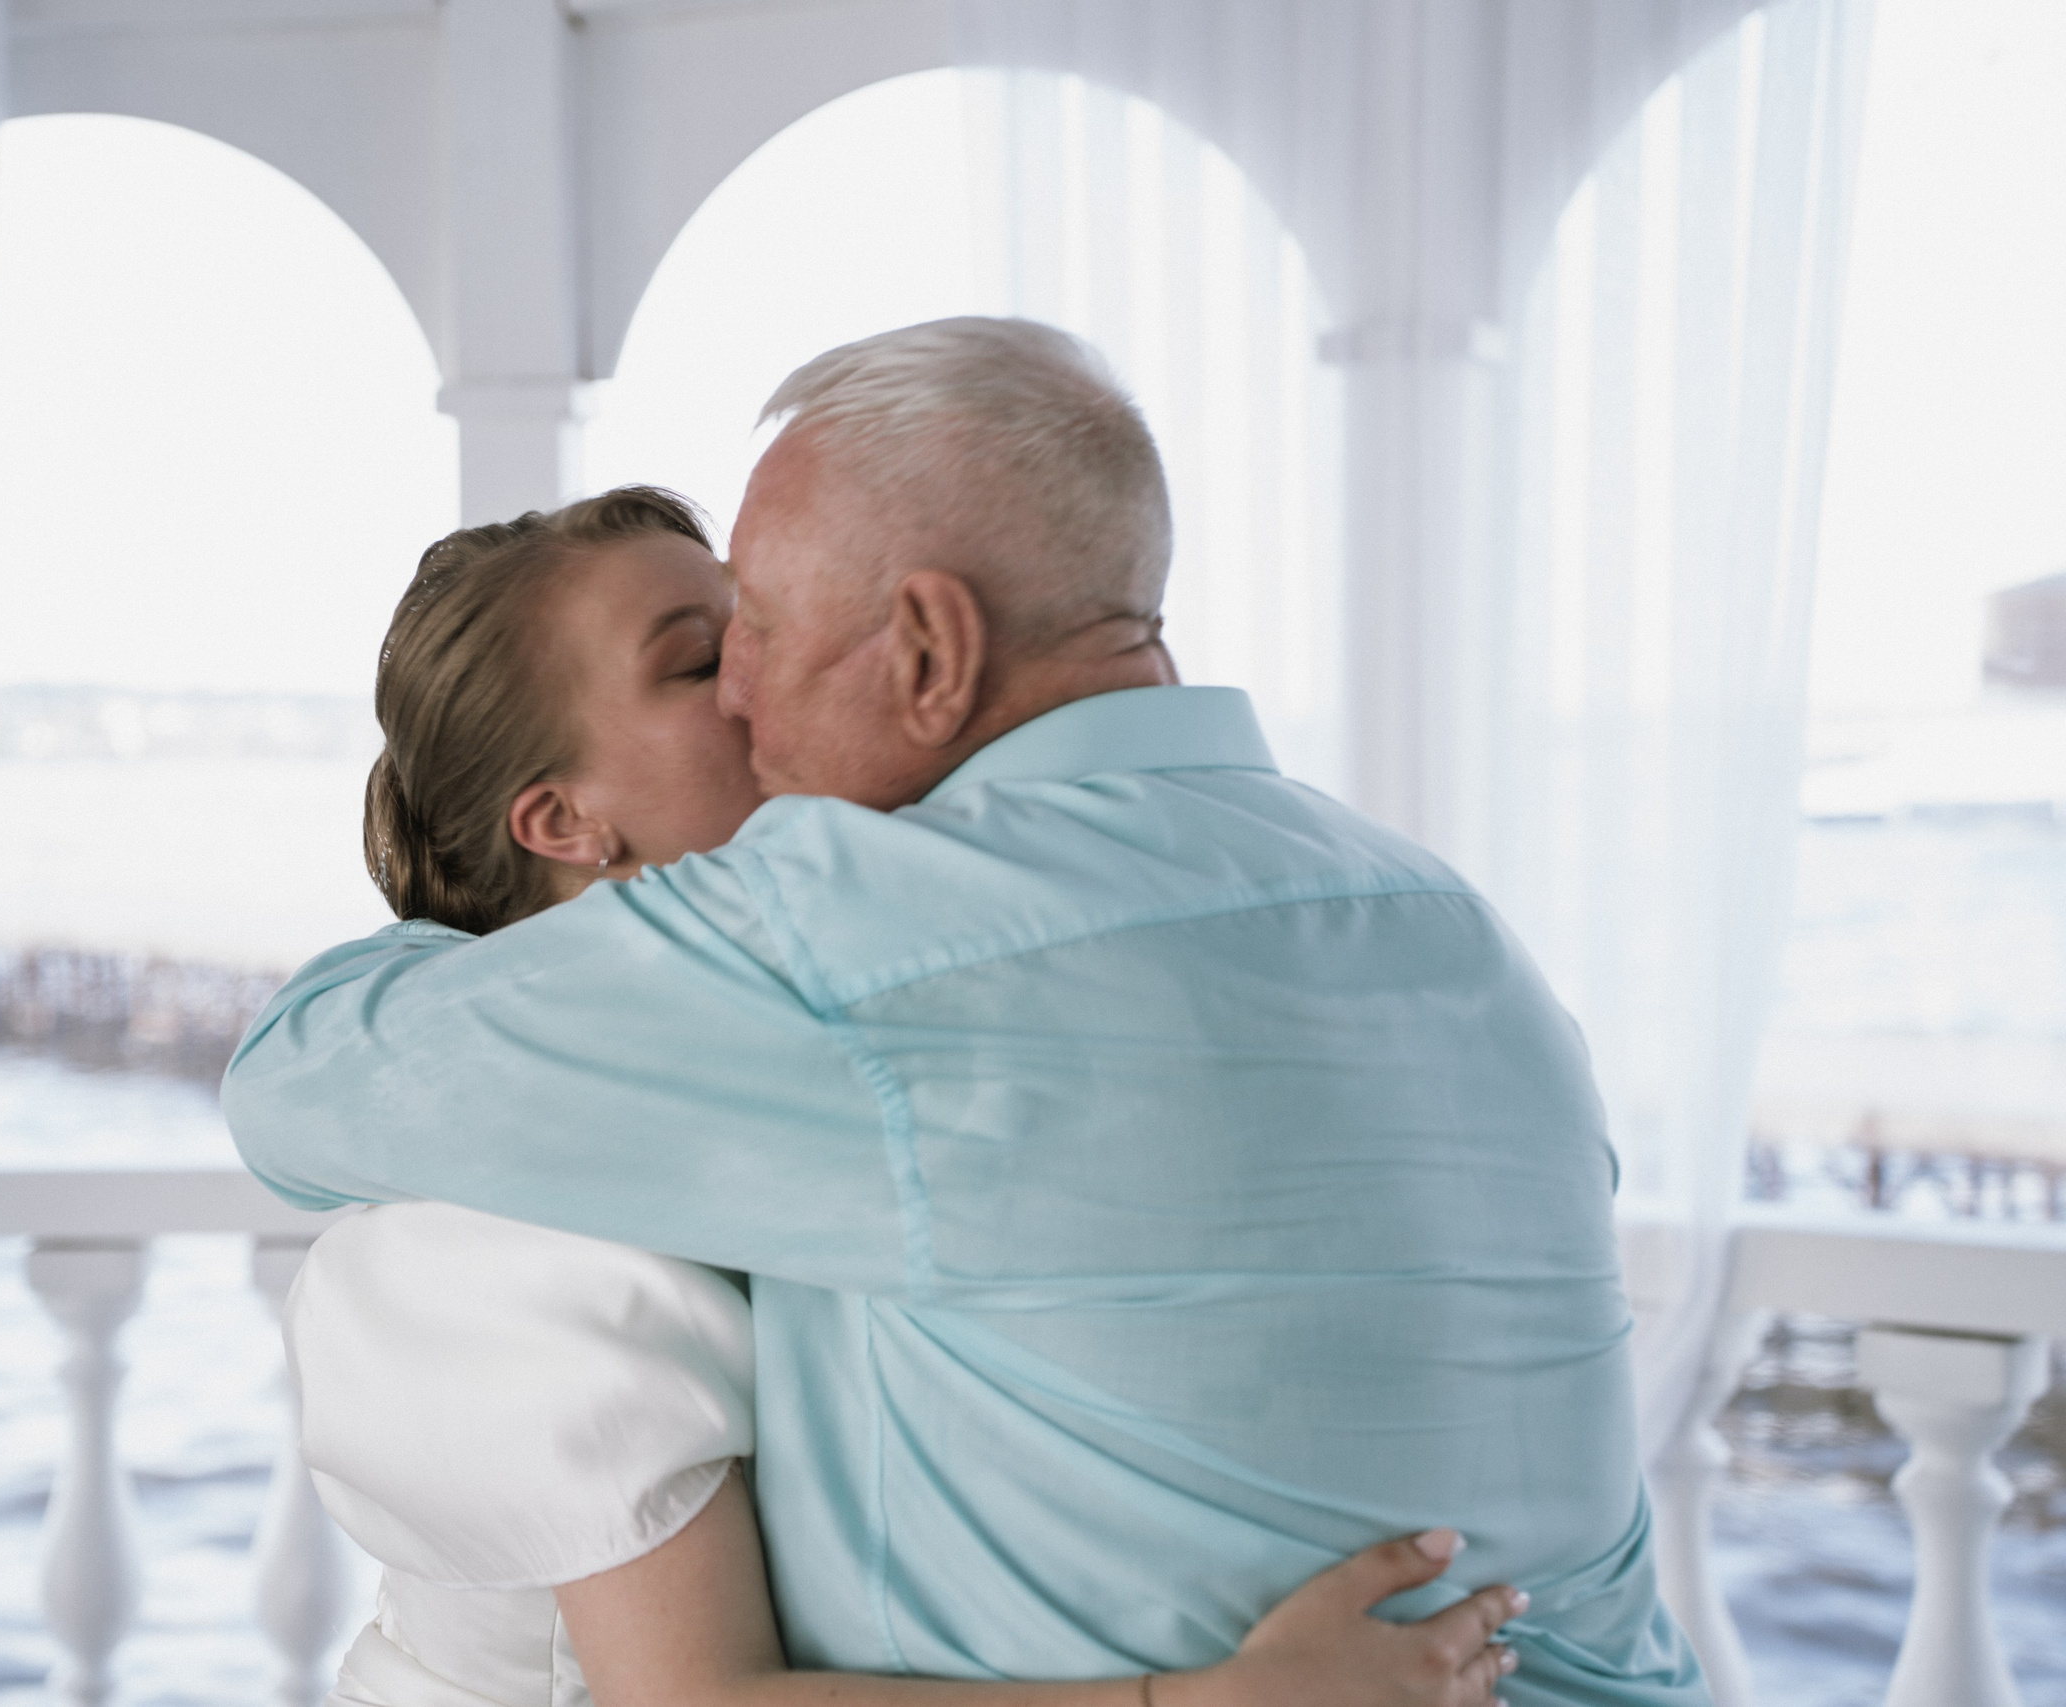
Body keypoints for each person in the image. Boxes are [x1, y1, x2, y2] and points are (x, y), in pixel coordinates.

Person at [227, 319, 1711, 1706]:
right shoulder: (1462, 934)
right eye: (706, 653)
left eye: (757, 630)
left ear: (928, 649)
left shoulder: (856, 938)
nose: (743, 692)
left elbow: (300, 1081)